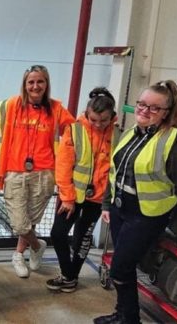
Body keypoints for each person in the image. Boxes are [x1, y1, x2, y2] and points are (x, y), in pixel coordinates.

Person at [94, 80, 177, 324]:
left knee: (120, 268)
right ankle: (123, 315)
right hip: (121, 210)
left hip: (145, 216)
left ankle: (130, 319)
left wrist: (171, 215)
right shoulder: (132, 132)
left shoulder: (173, 142)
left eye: (153, 108)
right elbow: (114, 171)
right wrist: (108, 204)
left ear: (166, 113)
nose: (144, 110)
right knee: (124, 267)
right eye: (142, 104)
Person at [0, 64, 75, 278]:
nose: (35, 86)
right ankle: (37, 245)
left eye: (40, 81)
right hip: (15, 170)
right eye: (31, 82)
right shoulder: (12, 105)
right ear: (24, 85)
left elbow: (75, 131)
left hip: (44, 172)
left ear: (46, 84)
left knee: (30, 219)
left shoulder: (56, 108)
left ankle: (19, 254)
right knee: (19, 223)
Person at [47, 87, 118, 293]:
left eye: (103, 120)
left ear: (112, 116)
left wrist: (108, 199)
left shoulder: (119, 134)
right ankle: (68, 274)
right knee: (58, 234)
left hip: (98, 200)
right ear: (87, 114)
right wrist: (67, 197)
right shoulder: (75, 130)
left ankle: (70, 278)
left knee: (83, 238)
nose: (97, 124)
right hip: (73, 197)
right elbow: (63, 166)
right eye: (93, 119)